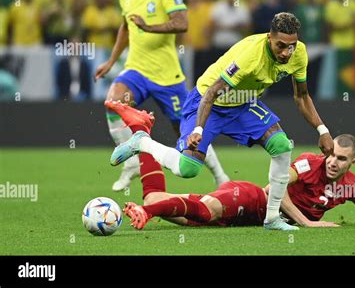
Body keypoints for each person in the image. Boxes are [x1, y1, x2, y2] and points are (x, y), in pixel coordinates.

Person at [108, 12, 334, 232]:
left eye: (291, 45)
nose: (286, 52)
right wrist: (198, 129)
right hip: (207, 102)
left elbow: (302, 96)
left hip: (242, 103)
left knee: (282, 145)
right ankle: (142, 142)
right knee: (187, 169)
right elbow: (212, 93)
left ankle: (272, 217)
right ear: (269, 37)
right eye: (281, 45)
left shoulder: (299, 54)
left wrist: (322, 130)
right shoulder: (250, 57)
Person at [105, 103, 355, 229]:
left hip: (251, 220)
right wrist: (308, 223)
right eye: (332, 155)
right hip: (252, 200)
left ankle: (141, 132)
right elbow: (276, 187)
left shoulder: (348, 184)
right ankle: (145, 210)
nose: (333, 162)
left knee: (161, 203)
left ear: (352, 163)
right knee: (201, 212)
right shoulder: (309, 164)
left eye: (341, 160)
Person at [94, 0, 229, 191]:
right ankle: (133, 162)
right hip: (136, 70)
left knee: (188, 132)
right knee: (114, 102)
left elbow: (182, 23)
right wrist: (112, 61)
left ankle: (220, 176)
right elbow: (126, 27)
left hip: (168, 78)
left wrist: (149, 27)